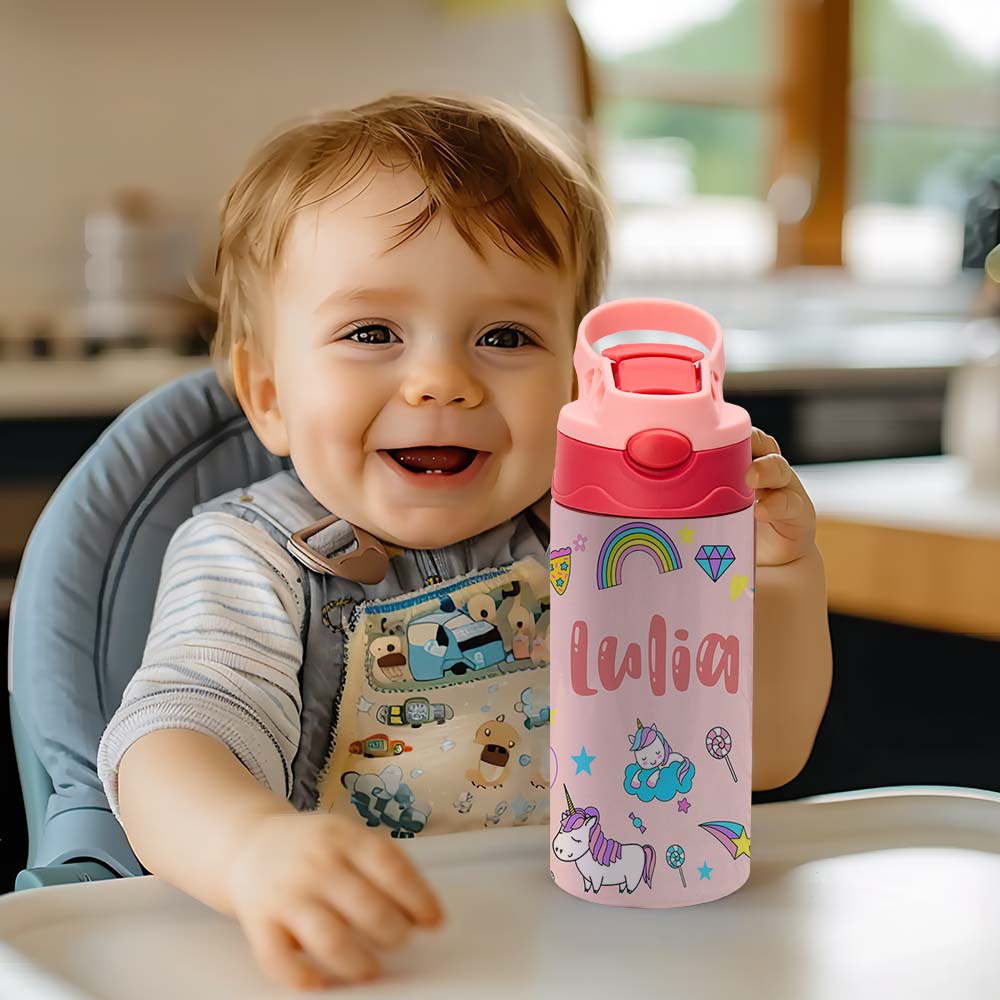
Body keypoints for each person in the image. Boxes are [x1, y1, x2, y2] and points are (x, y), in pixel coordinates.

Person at [97, 92, 832, 991]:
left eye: (504, 335)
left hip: (591, 950)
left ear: (576, 386)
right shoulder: (253, 556)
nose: (442, 380)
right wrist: (251, 851)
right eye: (372, 332)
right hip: (367, 958)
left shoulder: (609, 550)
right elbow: (173, 740)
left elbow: (755, 756)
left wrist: (778, 573)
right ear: (271, 395)